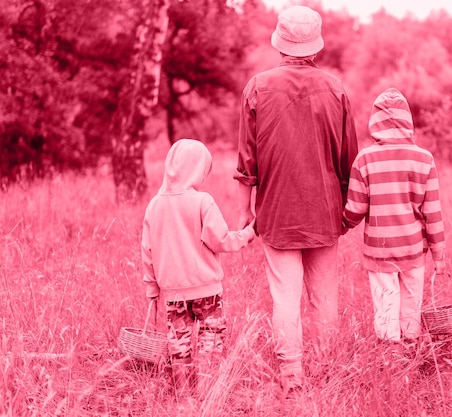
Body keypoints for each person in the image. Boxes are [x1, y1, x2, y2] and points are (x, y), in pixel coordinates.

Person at [234, 5, 358, 394]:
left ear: (281, 43)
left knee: (284, 296)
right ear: (315, 46)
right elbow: (348, 162)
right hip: (326, 211)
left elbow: (246, 163)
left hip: (276, 213)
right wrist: (347, 213)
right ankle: (325, 370)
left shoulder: (257, 87)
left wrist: (245, 213)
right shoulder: (336, 89)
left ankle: (292, 376)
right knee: (324, 296)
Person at [141, 138, 256, 395]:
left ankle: (183, 397)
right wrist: (247, 235)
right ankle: (208, 393)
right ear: (196, 170)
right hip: (207, 290)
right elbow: (221, 240)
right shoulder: (203, 201)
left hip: (173, 293)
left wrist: (152, 288)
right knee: (211, 341)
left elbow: (147, 250)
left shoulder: (154, 206)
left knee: (178, 346)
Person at [342, 88, 446, 346]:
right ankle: (411, 345)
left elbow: (355, 208)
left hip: (380, 250)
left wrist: (344, 223)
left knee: (386, 301)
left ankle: (391, 354)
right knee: (411, 301)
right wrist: (439, 255)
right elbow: (432, 212)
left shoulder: (364, 159)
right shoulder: (424, 159)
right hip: (413, 250)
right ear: (407, 121)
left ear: (375, 121)